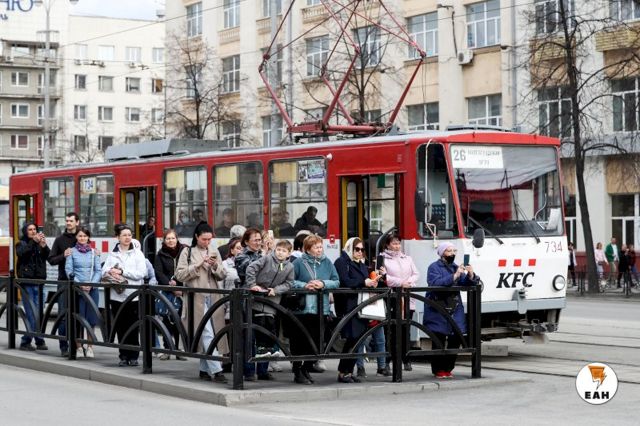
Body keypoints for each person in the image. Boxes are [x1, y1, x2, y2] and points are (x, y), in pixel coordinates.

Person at [174, 222, 228, 384]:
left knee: (212, 333)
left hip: (213, 297)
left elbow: (223, 274)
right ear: (196, 237)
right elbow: (179, 275)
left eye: (210, 239)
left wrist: (214, 265)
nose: (207, 242)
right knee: (207, 333)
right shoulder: (187, 252)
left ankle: (204, 370)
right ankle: (217, 370)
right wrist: (197, 265)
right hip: (195, 298)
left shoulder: (214, 251)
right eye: (204, 239)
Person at [287, 235, 340, 385]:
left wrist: (323, 283)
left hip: (321, 308)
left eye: (320, 246)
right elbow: (290, 281)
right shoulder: (298, 263)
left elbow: (336, 281)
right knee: (299, 341)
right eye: (316, 247)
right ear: (308, 249)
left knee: (317, 341)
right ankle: (298, 370)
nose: (319, 249)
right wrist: (304, 285)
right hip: (302, 309)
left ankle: (306, 368)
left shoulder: (327, 262)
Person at [424, 242, 480, 378]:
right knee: (438, 339)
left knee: (456, 337)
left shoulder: (455, 267)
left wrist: (470, 274)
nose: (452, 253)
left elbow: (465, 283)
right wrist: (454, 276)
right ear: (442, 253)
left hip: (455, 308)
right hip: (438, 308)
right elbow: (434, 283)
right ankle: (438, 370)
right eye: (449, 251)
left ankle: (448, 368)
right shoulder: (434, 267)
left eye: (454, 251)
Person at [334, 237, 384, 383]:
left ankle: (348, 371)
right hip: (348, 306)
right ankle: (343, 372)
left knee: (357, 340)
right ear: (350, 248)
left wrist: (373, 282)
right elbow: (344, 281)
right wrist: (364, 282)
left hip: (360, 306)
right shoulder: (342, 262)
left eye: (362, 249)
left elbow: (364, 281)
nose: (360, 252)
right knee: (352, 339)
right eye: (357, 249)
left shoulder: (360, 264)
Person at [244, 239, 294, 380]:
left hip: (272, 303)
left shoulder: (289, 266)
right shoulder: (266, 259)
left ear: (289, 253)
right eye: (278, 249)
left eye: (284, 251)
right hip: (255, 301)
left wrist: (276, 290)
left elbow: (289, 283)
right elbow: (251, 268)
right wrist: (252, 285)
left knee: (267, 336)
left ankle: (263, 371)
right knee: (252, 337)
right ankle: (249, 371)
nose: (280, 253)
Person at [101, 224, 147, 367]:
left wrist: (122, 272)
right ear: (118, 237)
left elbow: (142, 273)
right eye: (124, 235)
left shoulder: (138, 253)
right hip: (116, 296)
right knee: (120, 327)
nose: (127, 238)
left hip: (133, 296)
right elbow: (103, 271)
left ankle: (134, 356)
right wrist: (110, 272)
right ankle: (123, 355)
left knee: (133, 327)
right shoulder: (112, 254)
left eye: (129, 235)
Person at [381, 233, 419, 371]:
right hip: (392, 298)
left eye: (398, 243)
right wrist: (400, 283)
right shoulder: (382, 259)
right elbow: (384, 277)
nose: (397, 246)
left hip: (407, 297)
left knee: (405, 329)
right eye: (394, 243)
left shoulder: (407, 258)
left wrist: (408, 282)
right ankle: (387, 361)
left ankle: (405, 359)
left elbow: (416, 274)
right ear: (387, 245)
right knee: (390, 331)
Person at [65, 227, 101, 358]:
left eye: (85, 236)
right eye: (80, 236)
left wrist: (91, 284)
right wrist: (80, 284)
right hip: (77, 290)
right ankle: (79, 347)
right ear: (76, 237)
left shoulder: (94, 252)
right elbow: (69, 271)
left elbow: (98, 271)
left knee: (91, 319)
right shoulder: (71, 252)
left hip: (92, 290)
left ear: (88, 237)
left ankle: (90, 347)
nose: (82, 238)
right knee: (78, 319)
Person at [47, 211, 80, 357]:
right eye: (67, 221)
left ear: (77, 222)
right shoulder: (59, 240)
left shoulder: (82, 237)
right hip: (64, 282)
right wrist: (63, 255)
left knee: (78, 315)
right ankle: (64, 346)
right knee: (63, 315)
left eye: (71, 221)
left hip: (80, 282)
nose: (68, 223)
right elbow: (51, 260)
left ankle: (77, 345)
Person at [153, 229, 188, 361]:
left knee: (180, 322)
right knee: (167, 320)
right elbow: (159, 273)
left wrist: (180, 285)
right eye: (168, 238)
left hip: (182, 291)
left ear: (177, 239)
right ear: (164, 240)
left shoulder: (184, 252)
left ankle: (179, 350)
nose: (171, 241)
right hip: (167, 292)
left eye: (173, 238)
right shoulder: (160, 254)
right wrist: (170, 285)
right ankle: (167, 349)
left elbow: (187, 270)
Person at [16, 222, 50, 351]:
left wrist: (44, 246)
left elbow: (49, 258)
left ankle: (32, 340)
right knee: (31, 313)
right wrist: (33, 242)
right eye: (30, 229)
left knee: (39, 313)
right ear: (25, 231)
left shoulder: (39, 243)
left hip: (40, 282)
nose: (33, 231)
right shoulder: (21, 243)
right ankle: (34, 340)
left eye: (35, 229)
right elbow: (21, 254)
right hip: (27, 283)